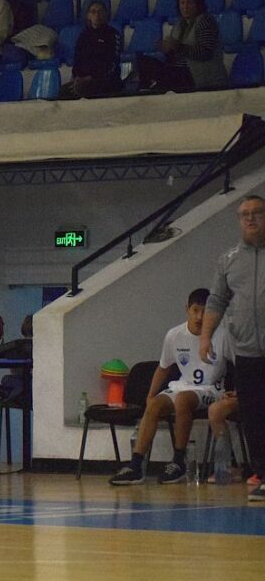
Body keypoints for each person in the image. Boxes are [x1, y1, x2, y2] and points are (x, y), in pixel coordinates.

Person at [110, 289, 233, 485]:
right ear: (187, 310)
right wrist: (150, 395)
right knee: (155, 405)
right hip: (183, 386)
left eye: (205, 311)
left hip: (211, 389)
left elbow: (240, 364)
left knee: (183, 401)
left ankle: (178, 461)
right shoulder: (174, 335)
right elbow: (163, 368)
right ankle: (136, 465)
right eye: (195, 310)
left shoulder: (222, 335)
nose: (200, 317)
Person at [200, 194, 265, 502]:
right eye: (244, 214)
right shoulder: (228, 260)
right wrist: (204, 338)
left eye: (256, 213)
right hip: (248, 353)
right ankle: (263, 475)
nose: (250, 219)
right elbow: (216, 302)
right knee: (253, 415)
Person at [135, 0, 226, 93]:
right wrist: (167, 49)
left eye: (189, 3)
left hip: (197, 75)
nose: (185, 7)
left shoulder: (205, 21)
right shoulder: (179, 24)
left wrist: (177, 46)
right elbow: (176, 54)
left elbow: (206, 53)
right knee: (143, 61)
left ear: (198, 4)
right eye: (182, 3)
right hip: (179, 72)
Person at [60, 0, 122, 99]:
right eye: (93, 11)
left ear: (106, 14)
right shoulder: (83, 36)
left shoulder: (112, 34)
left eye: (100, 11)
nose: (97, 14)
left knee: (84, 88)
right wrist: (77, 77)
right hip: (83, 80)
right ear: (88, 15)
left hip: (105, 81)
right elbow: (77, 60)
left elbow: (111, 63)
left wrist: (91, 78)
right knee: (63, 91)